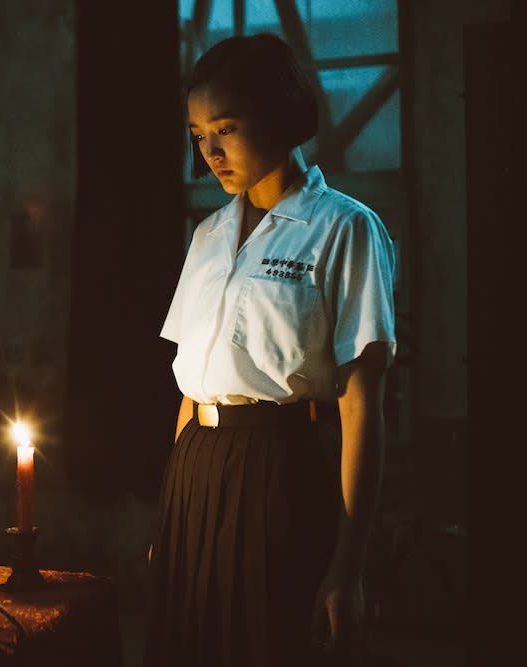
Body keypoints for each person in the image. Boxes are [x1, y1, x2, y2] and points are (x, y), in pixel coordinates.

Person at [145, 33, 396, 666]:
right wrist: (171, 519)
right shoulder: (207, 235)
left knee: (266, 643)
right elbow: (190, 388)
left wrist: (349, 566)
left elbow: (362, 407)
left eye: (226, 128)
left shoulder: (343, 227)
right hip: (196, 466)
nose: (211, 152)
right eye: (199, 135)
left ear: (280, 117)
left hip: (279, 471)